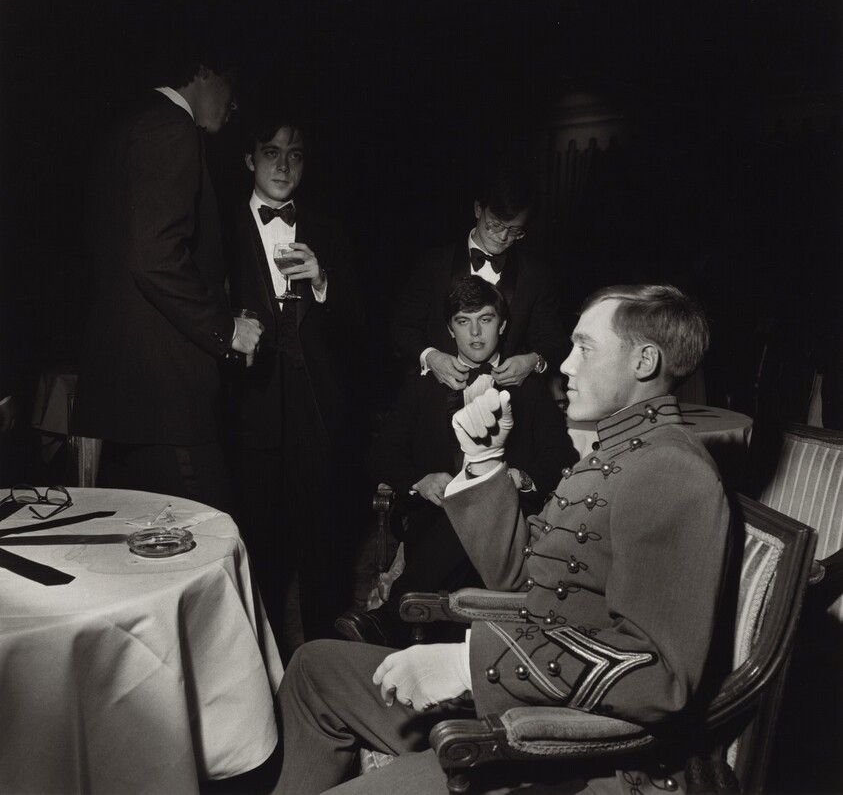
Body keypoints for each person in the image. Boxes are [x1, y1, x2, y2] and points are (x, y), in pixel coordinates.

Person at [278, 284, 733, 794]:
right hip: (525, 692)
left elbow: (661, 676)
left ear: (644, 361)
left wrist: (465, 665)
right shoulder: (619, 453)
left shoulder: (670, 469)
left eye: (584, 347)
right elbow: (519, 576)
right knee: (313, 667)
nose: (564, 365)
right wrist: (485, 460)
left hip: (569, 751)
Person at [336, 276, 576, 647]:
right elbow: (380, 454)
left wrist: (522, 478)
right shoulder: (424, 385)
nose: (476, 332)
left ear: (504, 324)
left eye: (486, 319)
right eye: (464, 321)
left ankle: (389, 619)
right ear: (450, 329)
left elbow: (561, 456)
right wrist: (419, 480)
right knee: (461, 514)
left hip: (506, 525)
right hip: (433, 520)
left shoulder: (527, 386)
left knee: (478, 508)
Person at [73, 42, 261, 511]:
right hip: (166, 398)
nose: (234, 103)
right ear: (201, 71)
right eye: (230, 85)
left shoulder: (126, 125)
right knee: (209, 540)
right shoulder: (170, 127)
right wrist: (229, 328)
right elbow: (154, 257)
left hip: (129, 396)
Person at [225, 116, 364, 648]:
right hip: (248, 412)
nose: (283, 166)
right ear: (248, 159)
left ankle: (323, 686)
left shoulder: (328, 229)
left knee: (324, 558)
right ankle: (262, 683)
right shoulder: (220, 226)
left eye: (296, 155)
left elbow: (359, 324)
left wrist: (324, 282)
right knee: (258, 556)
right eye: (271, 152)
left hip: (318, 417)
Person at [390, 163, 567, 391]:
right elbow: (402, 328)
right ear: (477, 209)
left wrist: (533, 361)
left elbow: (555, 341)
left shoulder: (537, 275)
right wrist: (431, 358)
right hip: (436, 396)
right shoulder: (433, 264)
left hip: (508, 402)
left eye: (515, 231)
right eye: (495, 224)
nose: (503, 237)